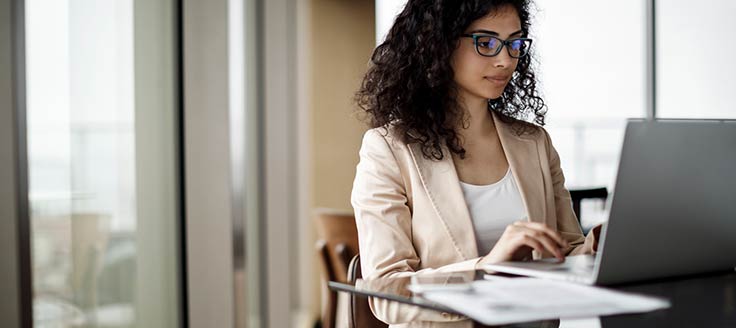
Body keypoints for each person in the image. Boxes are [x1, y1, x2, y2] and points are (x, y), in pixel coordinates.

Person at [351, 0, 601, 326]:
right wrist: (487, 267)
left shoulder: (535, 143)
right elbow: (387, 292)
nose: (505, 60)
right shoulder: (388, 149)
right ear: (438, 43)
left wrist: (600, 246)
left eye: (514, 43)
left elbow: (566, 255)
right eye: (486, 42)